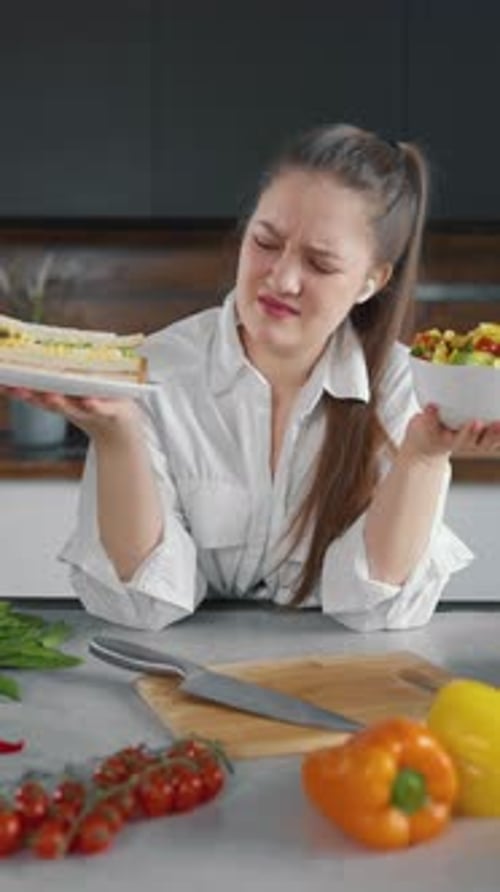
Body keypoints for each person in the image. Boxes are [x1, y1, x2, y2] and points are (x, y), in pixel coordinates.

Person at [5, 123, 500, 632]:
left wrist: (422, 457)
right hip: (172, 674)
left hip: (340, 679)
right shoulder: (154, 370)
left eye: (320, 264)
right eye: (266, 241)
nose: (282, 278)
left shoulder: (406, 386)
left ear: (371, 282)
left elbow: (373, 608)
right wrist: (117, 436)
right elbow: (144, 606)